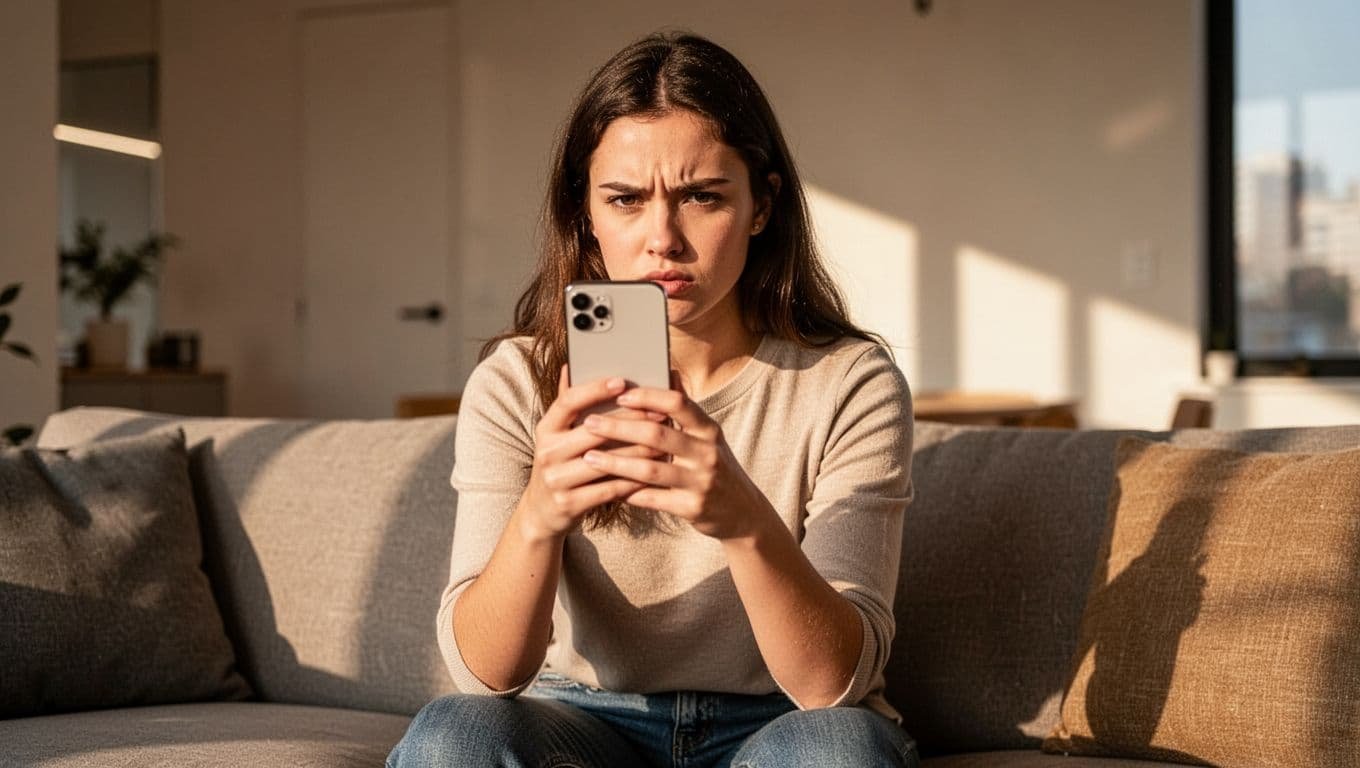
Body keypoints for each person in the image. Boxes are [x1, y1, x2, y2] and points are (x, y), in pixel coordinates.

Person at [388, 31, 918, 768]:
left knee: (840, 750)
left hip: (782, 719)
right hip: (581, 716)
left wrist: (742, 518)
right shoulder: (516, 384)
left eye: (703, 197)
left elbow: (830, 684)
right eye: (626, 200)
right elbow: (486, 675)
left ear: (761, 206)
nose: (662, 238)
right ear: (585, 213)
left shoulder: (849, 382)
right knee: (455, 736)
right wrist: (540, 512)